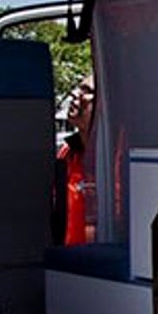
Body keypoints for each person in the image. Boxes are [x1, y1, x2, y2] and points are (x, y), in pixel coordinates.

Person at [54, 78, 97, 246]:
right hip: (72, 262)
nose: (74, 95)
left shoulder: (119, 157)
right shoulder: (66, 153)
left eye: (86, 91)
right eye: (78, 88)